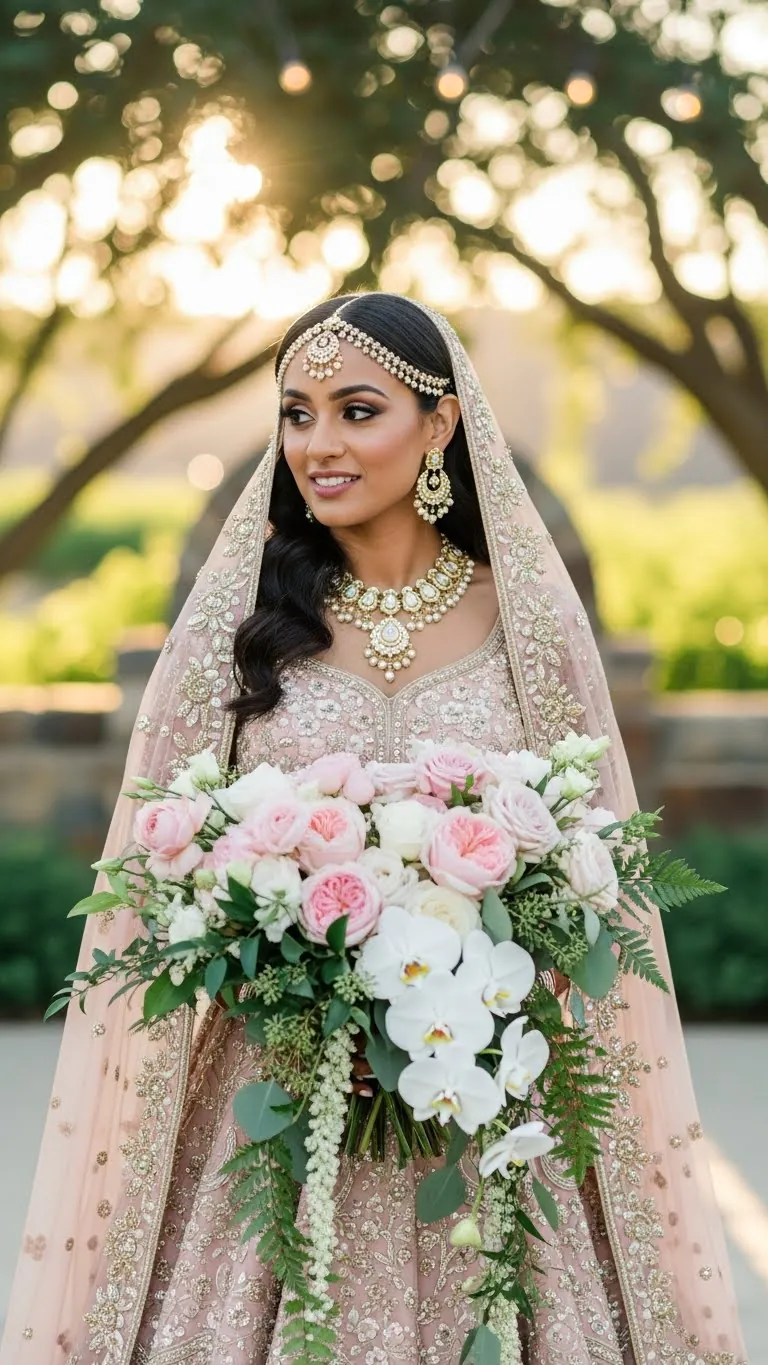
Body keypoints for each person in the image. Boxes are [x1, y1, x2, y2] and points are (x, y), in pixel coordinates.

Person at [1, 293, 745, 1365]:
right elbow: (163, 858)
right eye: (296, 415)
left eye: (358, 411)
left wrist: (495, 961)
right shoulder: (247, 628)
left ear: (440, 425)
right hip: (279, 1087)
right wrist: (280, 962)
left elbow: (592, 864)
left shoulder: (523, 620)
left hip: (485, 1093)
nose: (319, 444)